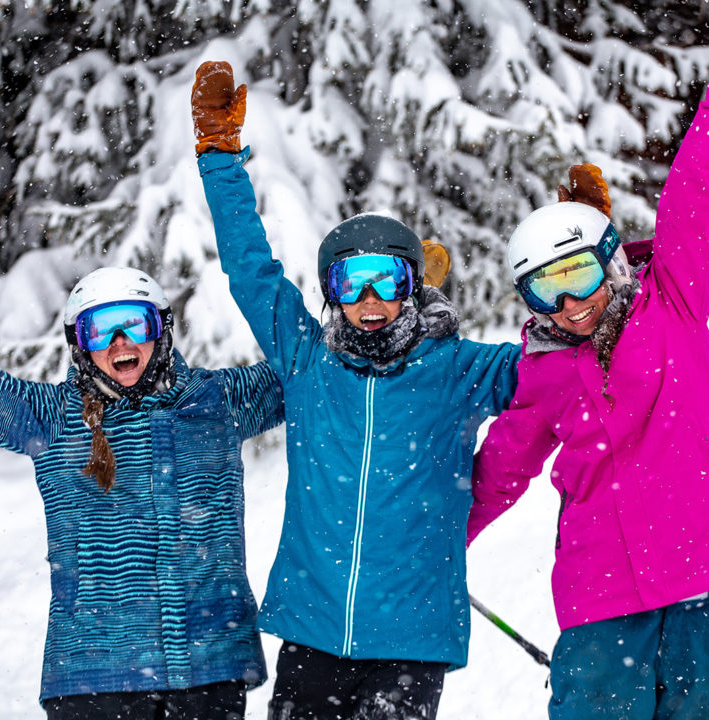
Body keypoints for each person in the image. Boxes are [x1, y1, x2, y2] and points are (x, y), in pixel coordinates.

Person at [467, 1, 709, 718]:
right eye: (544, 290)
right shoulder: (541, 373)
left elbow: (696, 185)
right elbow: (497, 474)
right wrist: (427, 542)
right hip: (603, 607)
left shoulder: (672, 302)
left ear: (611, 263)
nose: (569, 304)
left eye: (578, 276)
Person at [190, 61, 520, 720]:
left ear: (413, 286)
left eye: (387, 283)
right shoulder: (309, 364)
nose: (369, 302)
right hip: (312, 635)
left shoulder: (457, 370)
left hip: (410, 643)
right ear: (331, 295)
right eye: (350, 285)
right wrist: (220, 159)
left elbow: (551, 370)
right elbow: (251, 272)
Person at [0, 260, 284, 719]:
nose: (119, 343)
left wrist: (354, 304)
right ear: (79, 346)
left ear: (161, 330)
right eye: (99, 331)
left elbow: (309, 370)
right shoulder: (52, 419)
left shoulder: (220, 402)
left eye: (134, 323)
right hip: (93, 680)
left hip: (210, 670)